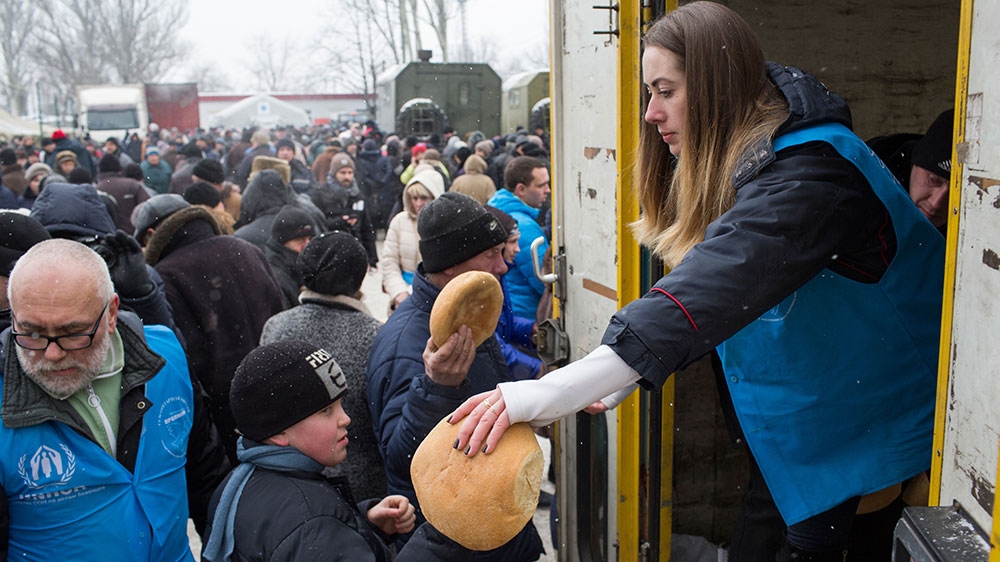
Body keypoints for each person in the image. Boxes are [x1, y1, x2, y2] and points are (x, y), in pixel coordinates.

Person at [451, 4, 945, 562]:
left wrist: (537, 393)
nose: (650, 114)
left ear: (716, 88)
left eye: (665, 91)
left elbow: (709, 287)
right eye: (648, 93)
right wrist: (620, 373)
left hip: (860, 430)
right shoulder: (764, 155)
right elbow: (716, 285)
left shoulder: (812, 176)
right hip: (809, 430)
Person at [0, 238, 229, 560]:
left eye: (73, 333)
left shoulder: (166, 358)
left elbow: (207, 478)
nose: (52, 354)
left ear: (111, 314)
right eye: (32, 332)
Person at [366, 192, 544, 561]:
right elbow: (401, 457)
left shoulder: (465, 316)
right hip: (450, 541)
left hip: (491, 529)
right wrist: (437, 388)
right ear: (451, 265)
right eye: (491, 254)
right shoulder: (409, 345)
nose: (503, 266)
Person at [201, 340, 471, 562]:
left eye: (340, 404)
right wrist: (440, 539)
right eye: (325, 411)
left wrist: (363, 523)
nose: (345, 419)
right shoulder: (311, 523)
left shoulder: (240, 485)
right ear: (278, 432)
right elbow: (308, 534)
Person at [142, 197, 287, 463]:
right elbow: (280, 313)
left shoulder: (167, 274)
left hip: (224, 414)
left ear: (151, 235)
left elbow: (186, 357)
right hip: (278, 391)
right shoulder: (247, 249)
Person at [260, 232, 387, 500]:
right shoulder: (375, 336)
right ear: (359, 279)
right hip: (363, 487)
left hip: (291, 480)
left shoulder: (276, 326)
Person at [486, 156, 551, 321]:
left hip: (512, 311)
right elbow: (544, 282)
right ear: (521, 189)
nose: (548, 190)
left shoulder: (501, 209)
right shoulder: (523, 226)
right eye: (541, 185)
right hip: (525, 314)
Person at [485, 205, 541, 381]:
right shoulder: (484, 282)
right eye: (512, 242)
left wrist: (530, 330)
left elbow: (502, 321)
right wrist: (538, 370)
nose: (517, 249)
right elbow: (491, 343)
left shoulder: (499, 275)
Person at [381, 169, 444, 313]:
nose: (418, 203)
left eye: (423, 198)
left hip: (434, 299)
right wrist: (399, 292)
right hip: (401, 300)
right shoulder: (399, 221)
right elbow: (389, 261)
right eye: (414, 198)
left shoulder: (445, 225)